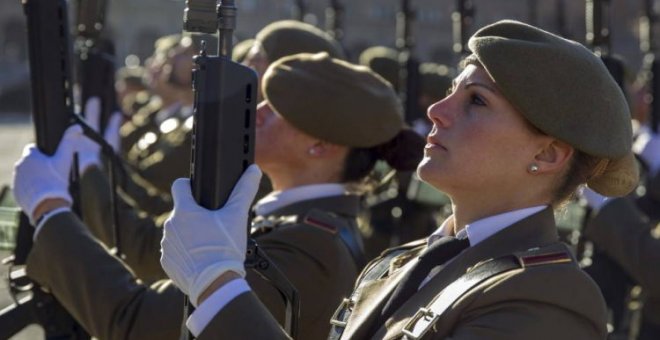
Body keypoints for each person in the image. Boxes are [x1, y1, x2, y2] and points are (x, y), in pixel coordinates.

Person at [159, 20, 639, 339]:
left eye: (476, 101)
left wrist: (218, 287)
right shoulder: (397, 265)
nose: (436, 111)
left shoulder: (549, 297)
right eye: (451, 91)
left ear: (548, 153)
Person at [12, 52, 422, 339]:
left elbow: (137, 323)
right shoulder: (298, 224)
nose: (257, 111)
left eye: (277, 110)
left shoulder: (310, 248)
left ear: (320, 145)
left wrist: (51, 209)